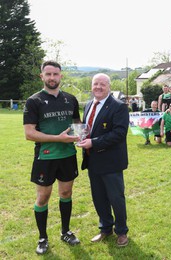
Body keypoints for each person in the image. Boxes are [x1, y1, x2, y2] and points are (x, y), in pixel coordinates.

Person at [23, 60, 81, 254]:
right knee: (43, 197)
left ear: (60, 76)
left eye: (55, 74)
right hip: (45, 157)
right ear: (42, 76)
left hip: (68, 155)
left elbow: (78, 125)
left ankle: (65, 231)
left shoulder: (71, 99)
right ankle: (42, 238)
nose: (52, 78)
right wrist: (59, 138)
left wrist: (83, 136)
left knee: (66, 194)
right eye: (48, 74)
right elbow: (29, 133)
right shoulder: (34, 101)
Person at [78, 73, 129, 247]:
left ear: (109, 86)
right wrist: (79, 136)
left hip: (111, 161)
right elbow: (87, 128)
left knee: (116, 198)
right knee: (98, 197)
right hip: (93, 161)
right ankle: (105, 228)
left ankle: (121, 232)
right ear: (92, 86)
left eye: (102, 84)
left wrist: (93, 142)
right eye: (95, 84)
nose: (98, 87)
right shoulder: (89, 105)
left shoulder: (119, 107)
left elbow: (119, 134)